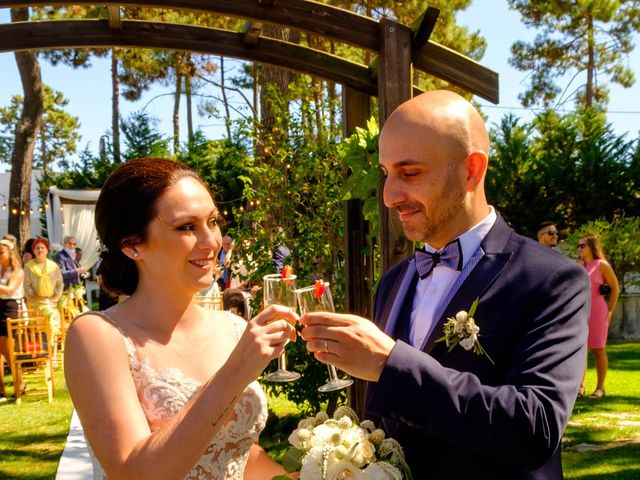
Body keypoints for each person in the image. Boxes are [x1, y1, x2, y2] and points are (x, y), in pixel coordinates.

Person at [300, 90, 590, 479]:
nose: (388, 197)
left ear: (471, 170)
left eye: (409, 172)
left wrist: (391, 364)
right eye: (386, 174)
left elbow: (534, 427)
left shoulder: (551, 279)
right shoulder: (394, 280)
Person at [64, 158, 298, 479]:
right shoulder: (97, 335)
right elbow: (134, 472)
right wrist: (236, 370)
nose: (211, 242)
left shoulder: (232, 329)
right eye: (187, 227)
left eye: (213, 222)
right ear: (133, 245)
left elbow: (238, 453)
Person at [576, 233, 619, 399]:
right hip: (581, 311)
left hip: (598, 310)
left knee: (598, 349)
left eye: (582, 245)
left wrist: (610, 311)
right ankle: (580, 386)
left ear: (592, 247)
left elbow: (615, 288)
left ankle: (600, 387)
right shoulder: (579, 265)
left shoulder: (602, 265)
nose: (579, 248)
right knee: (580, 349)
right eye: (578, 245)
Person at [0, 236, 25, 403]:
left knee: (8, 350)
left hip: (9, 308)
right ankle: (1, 390)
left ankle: (20, 382)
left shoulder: (18, 271)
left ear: (10, 253)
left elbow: (9, 289)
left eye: (1, 252)